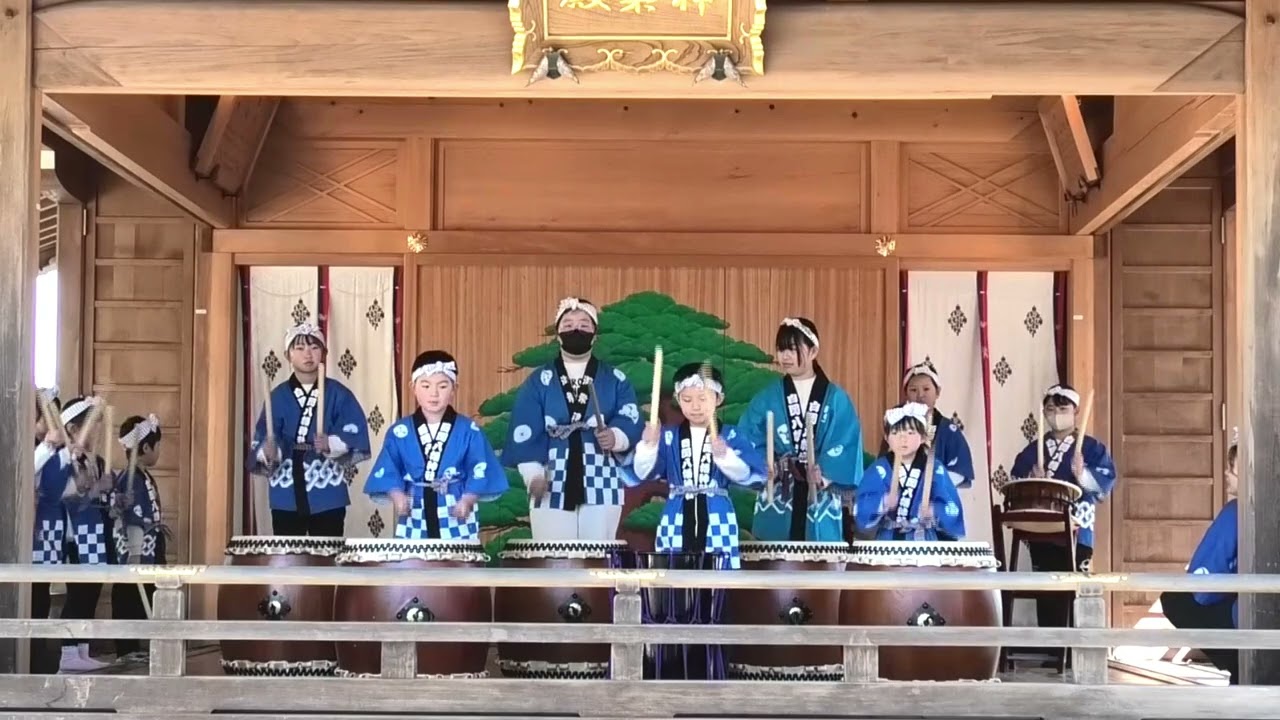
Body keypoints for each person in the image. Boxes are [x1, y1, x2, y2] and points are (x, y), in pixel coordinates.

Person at [503, 297, 643, 541]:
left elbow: (629, 415)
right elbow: (525, 428)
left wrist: (615, 437)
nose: (576, 330)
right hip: (552, 476)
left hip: (601, 471)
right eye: (568, 325)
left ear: (595, 334)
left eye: (584, 325)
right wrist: (534, 476)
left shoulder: (615, 379)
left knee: (597, 553)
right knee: (554, 554)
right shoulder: (539, 380)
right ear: (558, 335)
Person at [1010, 383, 1117, 668]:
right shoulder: (1034, 450)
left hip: (1077, 528)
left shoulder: (1091, 448)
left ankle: (1075, 651)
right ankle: (1052, 650)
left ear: (1076, 411)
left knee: (1075, 587)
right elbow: (1016, 480)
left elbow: (1103, 486)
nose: (1056, 414)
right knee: (1046, 588)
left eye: (1062, 408)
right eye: (1050, 408)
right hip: (1042, 529)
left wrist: (1083, 475)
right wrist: (1032, 477)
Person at [626, 363, 767, 569]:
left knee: (718, 571)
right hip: (677, 513)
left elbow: (749, 475)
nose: (695, 406)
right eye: (687, 399)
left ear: (718, 399)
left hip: (716, 512)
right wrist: (649, 445)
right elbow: (643, 472)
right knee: (674, 572)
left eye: (703, 399)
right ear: (678, 400)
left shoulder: (731, 435)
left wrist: (725, 456)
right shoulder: (668, 436)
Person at [738, 317, 863, 542]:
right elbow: (747, 437)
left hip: (819, 492)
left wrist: (824, 474)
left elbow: (845, 441)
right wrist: (765, 465)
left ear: (813, 351)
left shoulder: (835, 398)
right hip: (779, 489)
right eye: (781, 349)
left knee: (819, 558)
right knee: (775, 559)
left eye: (793, 349)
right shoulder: (767, 397)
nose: (785, 356)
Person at [365, 351, 508, 540]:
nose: (434, 393)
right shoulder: (400, 431)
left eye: (442, 386)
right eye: (425, 386)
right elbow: (388, 468)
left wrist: (468, 499)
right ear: (413, 387)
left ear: (454, 389)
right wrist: (398, 496)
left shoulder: (468, 430)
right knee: (415, 557)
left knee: (457, 556)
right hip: (415, 508)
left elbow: (480, 467)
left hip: (456, 506)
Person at [250, 322, 371, 537]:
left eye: (315, 348)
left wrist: (331, 443)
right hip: (286, 487)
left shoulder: (338, 394)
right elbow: (265, 435)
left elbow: (353, 430)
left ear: (324, 353)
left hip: (326, 485)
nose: (308, 354)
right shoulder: (277, 396)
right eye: (299, 348)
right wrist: (269, 451)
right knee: (289, 551)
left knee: (327, 550)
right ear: (288, 355)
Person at [1160, 439, 1239, 684]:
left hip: (1246, 616)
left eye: (1232, 467)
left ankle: (1237, 663)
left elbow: (1203, 585)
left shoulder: (1236, 511)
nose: (1226, 473)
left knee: (1175, 599)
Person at [46, 395, 115, 672]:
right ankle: (68, 652)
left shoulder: (93, 459)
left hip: (96, 531)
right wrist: (96, 489)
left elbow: (98, 500)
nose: (97, 430)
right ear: (73, 429)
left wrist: (113, 500)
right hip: (76, 536)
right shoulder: (64, 460)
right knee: (78, 592)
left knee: (92, 591)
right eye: (92, 424)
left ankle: (82, 650)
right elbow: (66, 498)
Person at [855, 402, 964, 541]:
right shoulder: (879, 469)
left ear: (923, 437)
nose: (903, 439)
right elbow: (862, 505)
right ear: (887, 438)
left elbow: (951, 506)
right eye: (895, 433)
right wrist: (883, 502)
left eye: (910, 432)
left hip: (923, 540)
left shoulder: (934, 469)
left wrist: (934, 510)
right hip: (889, 539)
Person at [110, 414, 168, 661]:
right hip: (138, 549)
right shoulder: (131, 479)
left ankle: (136, 646)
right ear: (145, 448)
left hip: (150, 546)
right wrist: (134, 553)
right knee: (130, 597)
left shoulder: (141, 476)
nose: (159, 451)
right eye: (157, 446)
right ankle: (126, 649)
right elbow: (133, 518)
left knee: (148, 594)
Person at [891, 362, 975, 490]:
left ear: (937, 392)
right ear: (905, 394)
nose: (920, 395)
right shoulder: (896, 429)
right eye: (913, 390)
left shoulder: (948, 431)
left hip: (937, 497)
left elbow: (960, 473)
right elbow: (884, 468)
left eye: (926, 389)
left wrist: (931, 484)